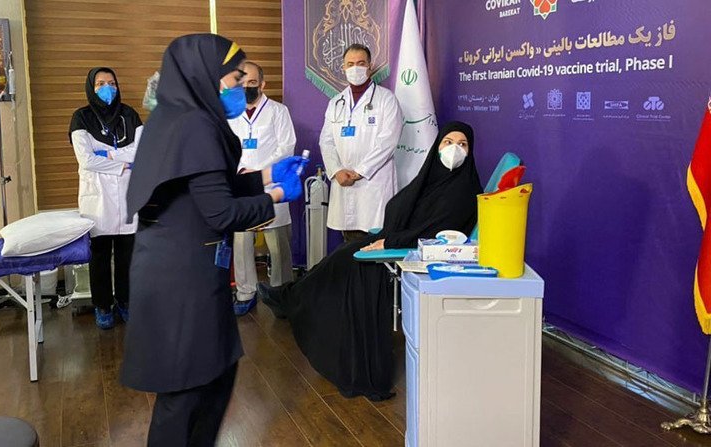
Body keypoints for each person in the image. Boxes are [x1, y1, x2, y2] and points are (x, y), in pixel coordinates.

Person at [120, 34, 306, 447]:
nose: (241, 87)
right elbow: (221, 212)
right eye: (235, 78)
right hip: (180, 278)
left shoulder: (179, 119)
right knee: (186, 390)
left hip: (186, 268)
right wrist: (276, 196)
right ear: (205, 75)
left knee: (217, 373)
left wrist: (267, 175)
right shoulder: (194, 126)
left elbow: (210, 187)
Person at [258, 121, 483, 401]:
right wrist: (390, 236)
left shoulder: (463, 190)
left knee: (342, 265)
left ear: (470, 151)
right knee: (336, 260)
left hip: (404, 250)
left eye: (462, 144)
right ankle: (289, 297)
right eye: (448, 142)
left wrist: (391, 242)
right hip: (394, 238)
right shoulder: (432, 177)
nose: (454, 149)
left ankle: (289, 299)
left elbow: (436, 232)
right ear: (437, 147)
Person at [69, 67, 143, 330]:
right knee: (99, 256)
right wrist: (123, 162)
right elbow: (86, 160)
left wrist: (107, 155)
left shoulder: (129, 115)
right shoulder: (81, 117)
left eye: (111, 82)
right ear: (91, 87)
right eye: (100, 83)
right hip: (97, 198)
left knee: (127, 255)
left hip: (127, 194)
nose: (107, 88)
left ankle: (125, 301)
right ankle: (102, 305)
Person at [228, 61, 297, 316]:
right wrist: (239, 173)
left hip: (272, 185)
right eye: (242, 83)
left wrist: (259, 173)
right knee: (241, 242)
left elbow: (286, 148)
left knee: (278, 246)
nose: (247, 87)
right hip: (242, 185)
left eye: (252, 82)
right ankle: (245, 292)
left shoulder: (278, 111)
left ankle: (281, 295)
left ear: (262, 84)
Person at [319, 44, 404, 244]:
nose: (355, 68)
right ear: (343, 67)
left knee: (375, 241)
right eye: (350, 64)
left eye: (360, 63)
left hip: (373, 185)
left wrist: (359, 171)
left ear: (370, 66)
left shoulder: (386, 99)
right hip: (343, 182)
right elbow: (326, 140)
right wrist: (336, 171)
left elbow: (388, 141)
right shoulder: (336, 102)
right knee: (349, 243)